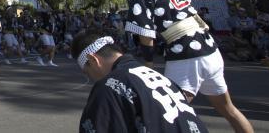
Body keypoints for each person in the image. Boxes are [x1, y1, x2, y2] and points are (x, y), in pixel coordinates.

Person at [119, 0, 253, 133]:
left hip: (187, 54)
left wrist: (148, 65)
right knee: (228, 109)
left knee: (165, 115)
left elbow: (144, 28)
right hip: (209, 48)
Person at [72, 31, 209, 133]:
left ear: (92, 60)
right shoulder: (159, 78)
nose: (91, 78)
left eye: (87, 72)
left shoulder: (109, 86)